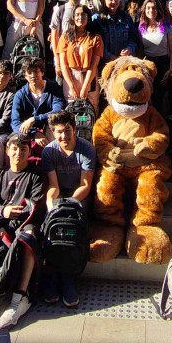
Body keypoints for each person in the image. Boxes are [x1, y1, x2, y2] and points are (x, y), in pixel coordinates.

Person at [0, 133, 46, 329]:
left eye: (23, 149)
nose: (18, 153)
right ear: (7, 151)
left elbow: (35, 207)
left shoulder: (35, 176)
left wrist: (8, 227)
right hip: (1, 222)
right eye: (14, 149)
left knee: (29, 237)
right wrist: (2, 212)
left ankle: (20, 297)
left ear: (29, 152)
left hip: (24, 226)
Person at [40, 110, 96, 307]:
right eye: (58, 132)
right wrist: (52, 205)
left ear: (74, 129)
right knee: (53, 225)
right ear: (52, 132)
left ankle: (69, 277)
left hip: (79, 195)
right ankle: (53, 275)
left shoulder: (87, 149)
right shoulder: (49, 151)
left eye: (67, 130)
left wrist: (69, 205)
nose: (63, 136)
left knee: (72, 226)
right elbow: (53, 186)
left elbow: (85, 185)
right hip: (60, 194)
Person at [56, 5, 104, 111]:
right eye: (77, 15)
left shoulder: (96, 38)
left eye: (83, 14)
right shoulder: (65, 37)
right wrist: (72, 86)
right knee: (72, 109)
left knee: (91, 108)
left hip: (89, 77)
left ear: (88, 17)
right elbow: (63, 64)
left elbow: (94, 64)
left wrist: (85, 86)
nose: (80, 17)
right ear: (73, 17)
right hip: (71, 76)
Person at [10, 57, 66, 136]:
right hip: (28, 131)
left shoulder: (54, 88)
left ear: (42, 73)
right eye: (29, 73)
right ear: (25, 76)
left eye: (36, 72)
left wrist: (34, 119)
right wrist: (34, 133)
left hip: (49, 126)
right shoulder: (20, 95)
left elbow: (58, 111)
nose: (33, 75)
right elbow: (15, 122)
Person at [138, 0, 172, 93]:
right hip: (147, 64)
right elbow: (140, 49)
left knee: (162, 94)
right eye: (148, 8)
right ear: (144, 10)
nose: (151, 11)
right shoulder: (140, 27)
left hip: (163, 63)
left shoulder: (167, 27)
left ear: (158, 10)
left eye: (154, 8)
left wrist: (171, 69)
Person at [92, 0, 140, 64]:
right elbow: (95, 43)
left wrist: (129, 49)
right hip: (104, 63)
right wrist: (111, 57)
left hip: (124, 62)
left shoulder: (126, 17)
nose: (114, 2)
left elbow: (133, 39)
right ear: (104, 0)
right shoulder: (97, 19)